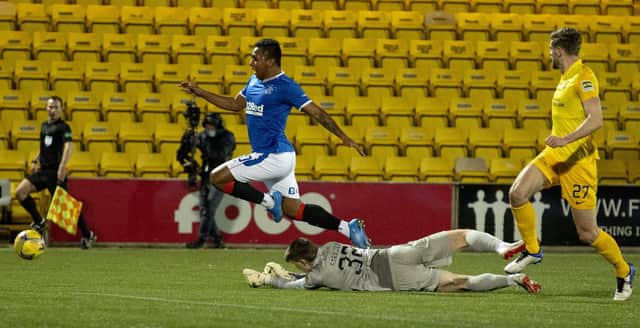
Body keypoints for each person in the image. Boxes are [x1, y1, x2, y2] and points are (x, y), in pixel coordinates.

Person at [179, 38, 371, 248]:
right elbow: (234, 104)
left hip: (273, 155)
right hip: (279, 157)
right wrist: (201, 92)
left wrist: (343, 137)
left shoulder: (285, 86)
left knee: (217, 177)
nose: (251, 63)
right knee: (295, 210)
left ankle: (270, 202)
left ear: (270, 61)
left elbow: (315, 111)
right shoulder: (253, 82)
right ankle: (347, 228)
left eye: (255, 58)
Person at [504, 27, 635, 301]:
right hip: (554, 157)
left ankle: (624, 271)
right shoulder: (564, 78)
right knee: (517, 193)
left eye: (551, 49)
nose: (549, 53)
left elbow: (596, 119)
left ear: (559, 50)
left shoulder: (584, 76)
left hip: (578, 162)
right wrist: (560, 143)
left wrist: (566, 139)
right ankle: (533, 249)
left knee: (587, 233)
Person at [242, 229, 540, 294]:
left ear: (304, 265)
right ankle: (502, 247)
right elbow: (314, 266)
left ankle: (510, 280)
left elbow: (297, 284)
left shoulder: (316, 277)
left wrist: (270, 279)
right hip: (393, 254)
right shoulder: (331, 244)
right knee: (461, 236)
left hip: (394, 282)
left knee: (460, 283)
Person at [15, 96, 97, 249]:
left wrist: (62, 167)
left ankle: (88, 235)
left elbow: (68, 147)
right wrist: (35, 160)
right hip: (42, 171)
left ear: (61, 109)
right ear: (46, 108)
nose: (52, 110)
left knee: (67, 209)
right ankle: (39, 222)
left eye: (55, 107)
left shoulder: (64, 128)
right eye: (50, 107)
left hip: (54, 173)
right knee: (20, 192)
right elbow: (43, 146)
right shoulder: (44, 126)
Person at [177, 112, 235, 249]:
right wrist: (187, 140)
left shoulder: (227, 137)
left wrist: (206, 144)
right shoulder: (202, 136)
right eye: (207, 126)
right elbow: (184, 153)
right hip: (206, 176)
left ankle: (202, 238)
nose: (209, 129)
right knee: (205, 209)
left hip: (221, 176)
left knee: (209, 207)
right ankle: (217, 239)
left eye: (211, 126)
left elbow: (220, 155)